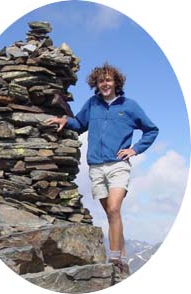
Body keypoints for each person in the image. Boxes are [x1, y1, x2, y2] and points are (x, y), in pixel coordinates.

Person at [45, 63, 159, 272]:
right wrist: (64, 120)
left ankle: (115, 260)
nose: (105, 84)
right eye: (101, 81)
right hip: (96, 167)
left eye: (108, 80)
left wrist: (135, 149)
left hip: (118, 165)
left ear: (116, 82)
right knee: (111, 215)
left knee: (115, 209)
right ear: (96, 84)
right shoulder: (92, 104)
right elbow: (79, 123)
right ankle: (122, 258)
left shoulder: (129, 106)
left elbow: (151, 130)